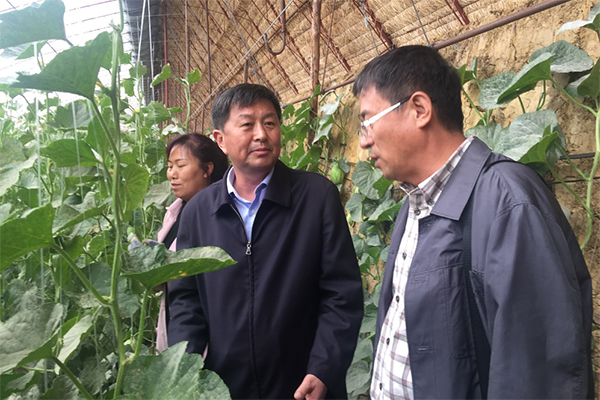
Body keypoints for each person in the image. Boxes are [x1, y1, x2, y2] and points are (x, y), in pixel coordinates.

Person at [353, 45, 593, 399]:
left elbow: (537, 376)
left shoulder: (508, 203)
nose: (364, 141)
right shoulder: (414, 203)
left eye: (368, 121)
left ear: (419, 109)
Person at [168, 83, 364, 399]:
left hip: (304, 386)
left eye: (270, 123)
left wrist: (324, 369)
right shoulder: (199, 212)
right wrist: (185, 377)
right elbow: (186, 302)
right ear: (220, 139)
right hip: (227, 388)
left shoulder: (315, 197)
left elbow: (341, 293)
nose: (261, 134)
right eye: (247, 124)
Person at [154, 133, 228, 352]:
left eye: (180, 165)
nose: (172, 174)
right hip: (177, 323)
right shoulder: (177, 211)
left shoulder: (220, 217)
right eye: (170, 167)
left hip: (205, 334)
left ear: (207, 169)